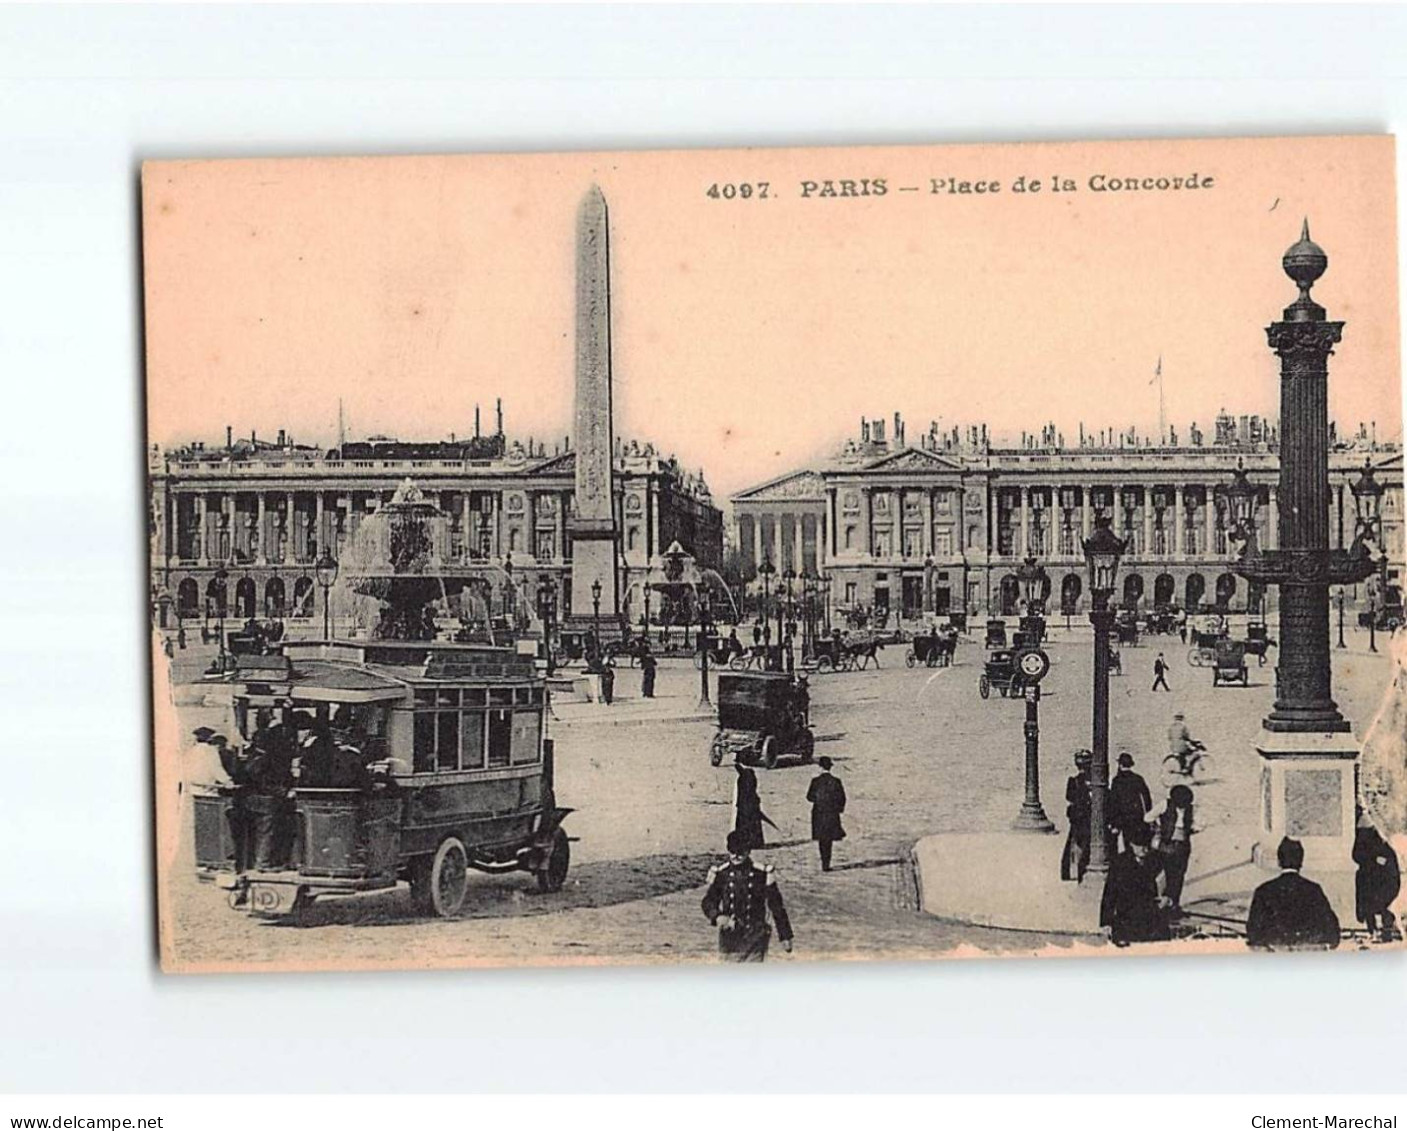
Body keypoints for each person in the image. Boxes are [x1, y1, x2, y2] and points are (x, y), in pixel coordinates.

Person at [701, 829, 794, 961]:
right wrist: (717, 916)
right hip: (730, 937)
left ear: (748, 851)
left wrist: (785, 935)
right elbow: (708, 901)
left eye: (740, 852)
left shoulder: (761, 874)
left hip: (755, 936)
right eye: (732, 852)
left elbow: (776, 905)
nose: (736, 856)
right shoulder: (723, 874)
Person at [1246, 837, 1340, 950]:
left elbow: (1253, 933)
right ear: (1301, 861)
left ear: (1279, 861)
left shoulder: (1263, 891)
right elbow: (1332, 932)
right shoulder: (1314, 890)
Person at [1099, 821, 1171, 946]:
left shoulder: (1156, 860)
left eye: (1147, 845)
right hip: (1126, 921)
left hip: (1151, 919)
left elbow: (1169, 883)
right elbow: (1109, 894)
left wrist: (1168, 898)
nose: (1144, 849)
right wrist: (1106, 922)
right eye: (1140, 845)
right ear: (1131, 844)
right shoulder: (1120, 863)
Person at [1352, 812, 1402, 941]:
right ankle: (1373, 930)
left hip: (1382, 881)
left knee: (1379, 905)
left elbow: (1389, 865)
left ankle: (1386, 929)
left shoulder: (1383, 846)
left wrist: (1374, 861)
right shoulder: (1363, 842)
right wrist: (1373, 860)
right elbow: (1357, 856)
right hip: (1367, 879)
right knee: (1368, 907)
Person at [1153, 784, 1196, 915]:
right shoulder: (1165, 805)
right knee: (1170, 874)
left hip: (1183, 845)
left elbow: (1199, 823)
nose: (1183, 808)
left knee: (1179, 875)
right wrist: (1158, 829)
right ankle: (1166, 902)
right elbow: (1148, 817)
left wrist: (1191, 829)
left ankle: (1173, 903)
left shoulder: (1190, 808)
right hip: (1168, 844)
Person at [806, 756, 847, 872]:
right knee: (828, 840)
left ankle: (824, 862)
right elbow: (842, 798)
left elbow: (809, 797)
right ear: (830, 767)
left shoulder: (815, 781)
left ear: (820, 767)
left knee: (821, 839)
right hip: (831, 814)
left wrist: (818, 800)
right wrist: (838, 809)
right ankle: (827, 863)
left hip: (818, 813)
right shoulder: (836, 781)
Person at [1108, 752, 1152, 853]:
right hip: (1137, 816)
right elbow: (1146, 799)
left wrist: (1113, 821)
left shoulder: (1117, 780)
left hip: (1123, 817)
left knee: (1125, 843)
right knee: (1136, 841)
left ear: (1120, 765)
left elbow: (1113, 802)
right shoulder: (1138, 779)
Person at [1061, 749, 1093, 882]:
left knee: (1072, 842)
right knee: (1086, 844)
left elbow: (1069, 797)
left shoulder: (1073, 781)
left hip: (1076, 816)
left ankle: (1065, 872)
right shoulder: (1092, 781)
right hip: (1087, 816)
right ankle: (1081, 871)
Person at [732, 754, 767, 851]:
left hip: (747, 804)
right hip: (748, 803)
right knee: (751, 824)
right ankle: (754, 842)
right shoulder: (747, 774)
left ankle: (751, 842)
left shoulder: (747, 775)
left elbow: (748, 791)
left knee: (747, 824)